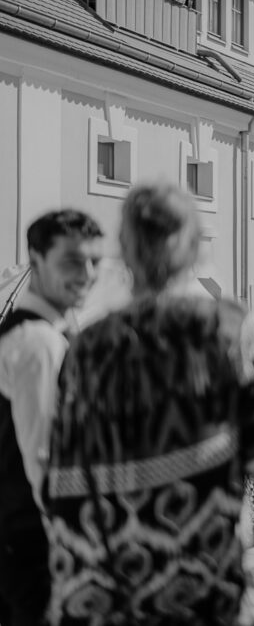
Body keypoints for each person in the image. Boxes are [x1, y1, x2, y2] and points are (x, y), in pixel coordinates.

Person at [44, 185, 254, 624]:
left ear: (125, 250)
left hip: (105, 598)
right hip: (205, 594)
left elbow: (63, 480)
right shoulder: (227, 327)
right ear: (193, 248)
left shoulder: (85, 346)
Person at [0, 210, 102, 626]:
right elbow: (43, 462)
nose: (88, 274)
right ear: (37, 261)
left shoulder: (40, 334)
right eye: (72, 262)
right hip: (35, 551)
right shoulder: (39, 343)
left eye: (95, 261)